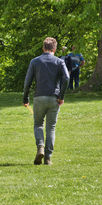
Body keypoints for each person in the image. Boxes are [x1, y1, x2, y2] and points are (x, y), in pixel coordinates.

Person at [23, 37, 70, 165]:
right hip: (54, 98)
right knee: (51, 128)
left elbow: (27, 81)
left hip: (39, 97)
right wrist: (61, 96)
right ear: (54, 49)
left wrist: (25, 97)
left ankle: (40, 147)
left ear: (43, 48)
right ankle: (48, 158)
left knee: (38, 124)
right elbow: (67, 78)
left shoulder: (35, 61)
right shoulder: (59, 62)